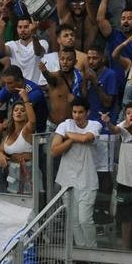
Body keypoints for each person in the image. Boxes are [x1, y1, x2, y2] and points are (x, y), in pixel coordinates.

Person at [52, 99, 101, 247]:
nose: (77, 115)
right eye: (74, 112)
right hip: (67, 180)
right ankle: (81, 253)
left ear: (87, 113)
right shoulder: (65, 124)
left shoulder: (95, 124)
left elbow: (87, 138)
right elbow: (54, 150)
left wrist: (68, 135)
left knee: (85, 219)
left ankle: (93, 253)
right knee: (73, 221)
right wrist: (71, 140)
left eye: (80, 112)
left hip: (88, 180)